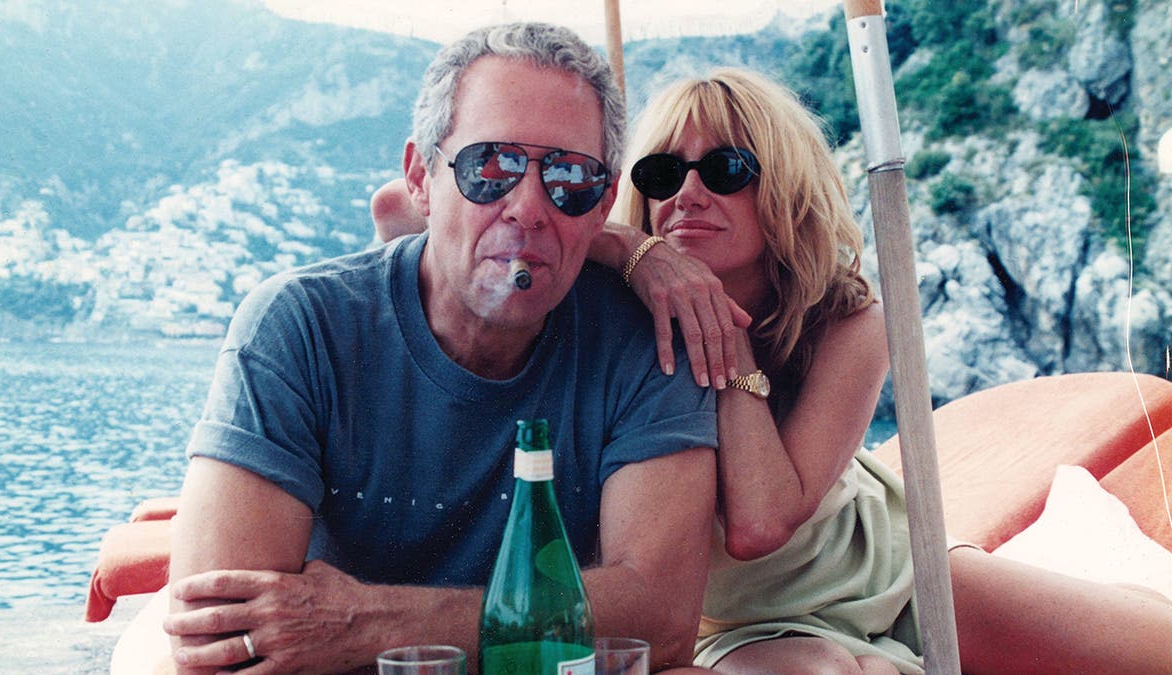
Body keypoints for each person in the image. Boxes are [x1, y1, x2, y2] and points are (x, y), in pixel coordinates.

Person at [375, 65, 1172, 673]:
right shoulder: (606, 292)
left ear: (780, 187)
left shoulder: (847, 317)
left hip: (885, 566)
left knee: (1150, 647)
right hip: (735, 619)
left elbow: (761, 519)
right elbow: (397, 206)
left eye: (724, 170)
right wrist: (623, 245)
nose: (686, 193)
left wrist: (717, 329)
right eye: (660, 177)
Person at [160, 23, 718, 674]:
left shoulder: (643, 338)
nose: (529, 207)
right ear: (422, 179)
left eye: (569, 177)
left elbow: (663, 620)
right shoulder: (301, 327)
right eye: (492, 167)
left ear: (602, 206)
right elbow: (221, 639)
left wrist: (365, 621)